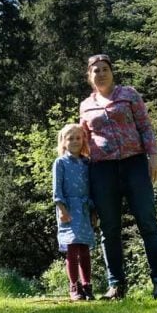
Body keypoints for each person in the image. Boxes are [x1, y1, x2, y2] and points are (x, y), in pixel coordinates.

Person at [80, 53, 157, 300]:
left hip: (134, 165)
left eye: (104, 69)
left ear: (112, 72)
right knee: (110, 229)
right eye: (95, 70)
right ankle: (116, 285)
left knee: (147, 222)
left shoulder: (129, 95)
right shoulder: (86, 106)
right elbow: (84, 143)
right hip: (102, 170)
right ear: (90, 76)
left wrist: (153, 157)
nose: (100, 73)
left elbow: (145, 127)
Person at [52, 123, 97, 301]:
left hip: (85, 209)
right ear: (63, 142)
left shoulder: (87, 163)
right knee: (72, 248)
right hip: (68, 209)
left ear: (83, 139)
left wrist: (94, 211)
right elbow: (57, 189)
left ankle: (87, 285)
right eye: (70, 138)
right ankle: (74, 286)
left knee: (84, 248)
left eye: (78, 138)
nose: (75, 141)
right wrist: (62, 209)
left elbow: (92, 188)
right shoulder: (60, 163)